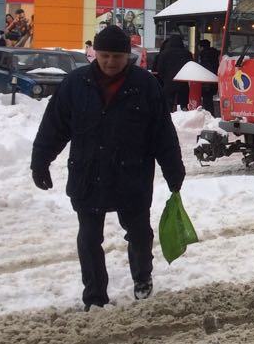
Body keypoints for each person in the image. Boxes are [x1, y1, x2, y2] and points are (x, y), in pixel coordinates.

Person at [31, 24, 185, 311]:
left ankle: (142, 277)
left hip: (132, 175)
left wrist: (173, 169)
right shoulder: (75, 84)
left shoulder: (145, 85)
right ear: (95, 54)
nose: (110, 62)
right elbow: (54, 127)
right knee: (89, 238)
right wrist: (40, 161)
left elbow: (162, 133)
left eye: (117, 56)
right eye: (105, 55)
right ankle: (94, 295)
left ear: (128, 56)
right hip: (88, 174)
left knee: (139, 234)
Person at [154, 33, 192, 110]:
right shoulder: (187, 53)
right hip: (183, 82)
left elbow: (160, 68)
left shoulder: (164, 54)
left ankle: (169, 114)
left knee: (168, 104)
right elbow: (191, 67)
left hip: (169, 82)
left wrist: (164, 78)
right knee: (184, 104)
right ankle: (184, 111)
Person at [196, 39, 221, 115]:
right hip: (213, 79)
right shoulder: (214, 54)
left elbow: (205, 68)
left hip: (206, 81)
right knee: (209, 98)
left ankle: (209, 115)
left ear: (202, 47)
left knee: (207, 100)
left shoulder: (204, 56)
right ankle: (210, 114)